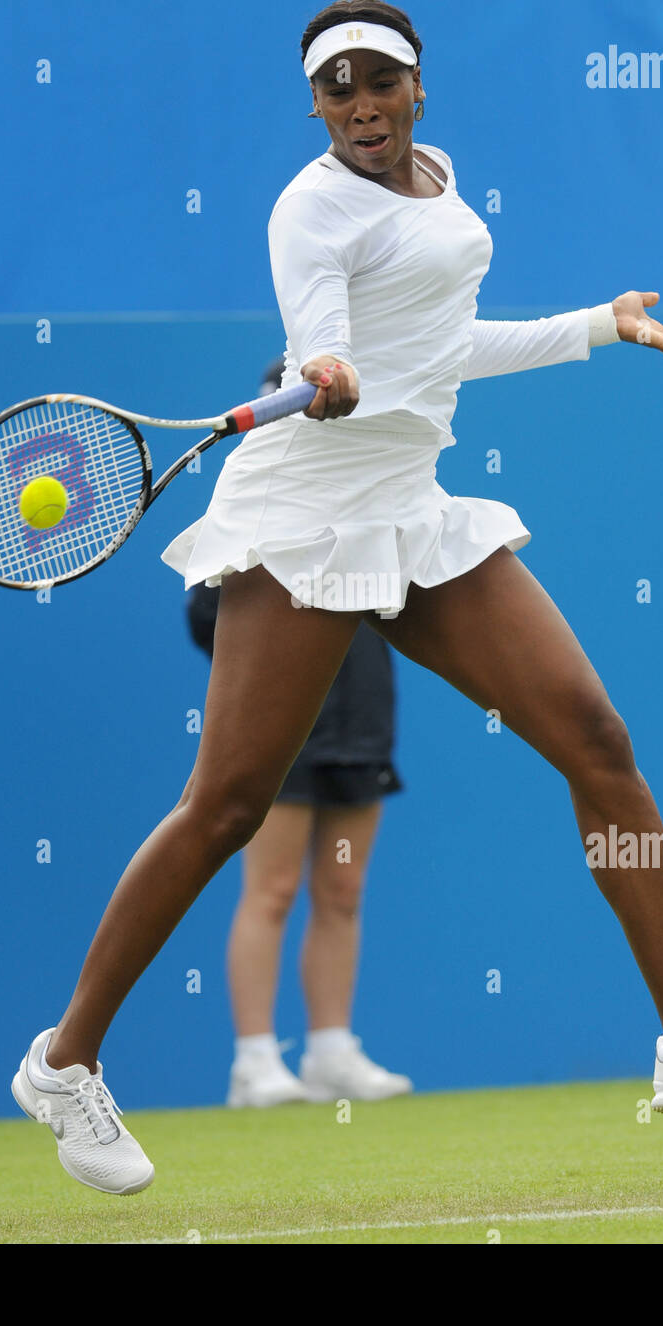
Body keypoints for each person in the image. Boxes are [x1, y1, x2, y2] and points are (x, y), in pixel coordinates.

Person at [11, 0, 663, 1196]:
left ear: (417, 87)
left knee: (596, 738)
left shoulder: (435, 177)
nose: (362, 106)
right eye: (338, 90)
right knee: (226, 805)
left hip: (413, 507)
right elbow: (329, 339)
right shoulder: (308, 206)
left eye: (379, 81)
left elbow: (443, 345)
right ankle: (64, 1064)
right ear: (315, 104)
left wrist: (598, 326)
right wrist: (326, 368)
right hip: (305, 521)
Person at [187, 360, 410, 1108]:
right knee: (272, 888)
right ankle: (254, 1062)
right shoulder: (252, 499)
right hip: (280, 727)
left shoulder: (372, 485)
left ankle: (331, 1051)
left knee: (343, 888)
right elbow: (203, 619)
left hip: (362, 721)